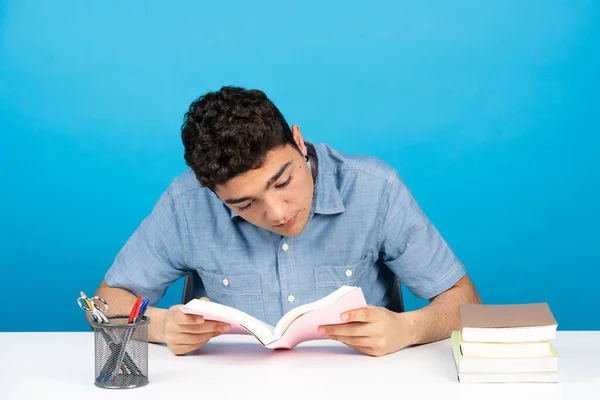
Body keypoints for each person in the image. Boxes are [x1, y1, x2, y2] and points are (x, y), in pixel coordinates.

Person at [93, 86, 481, 357]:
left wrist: (407, 329)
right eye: (245, 204)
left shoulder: (376, 189)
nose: (277, 213)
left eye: (283, 181)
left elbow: (464, 301)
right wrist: (160, 326)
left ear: (298, 141)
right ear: (210, 191)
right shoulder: (186, 203)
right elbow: (107, 301)